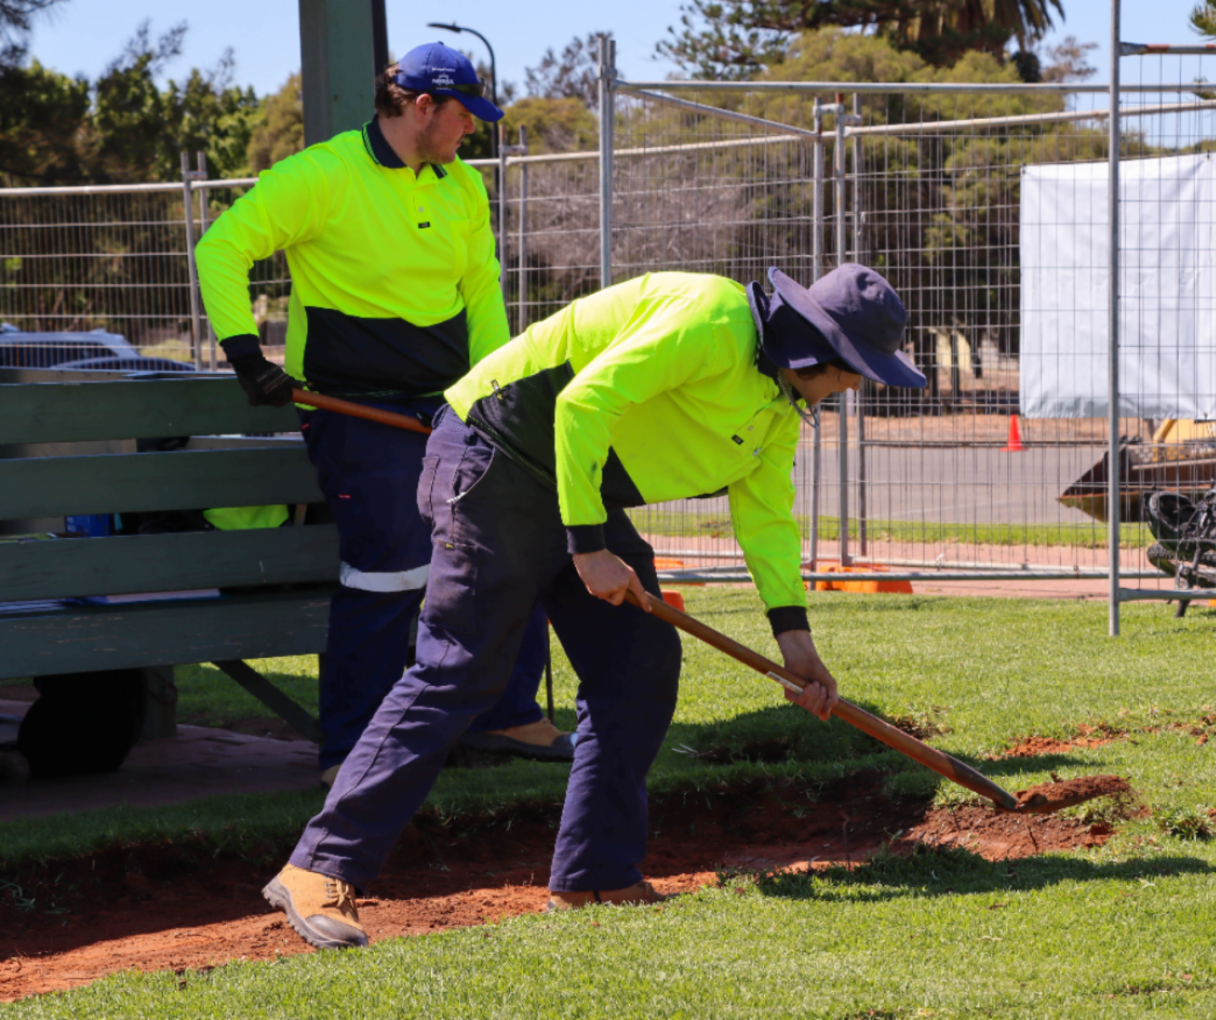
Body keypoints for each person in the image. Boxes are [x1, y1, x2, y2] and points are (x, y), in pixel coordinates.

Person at [259, 262, 927, 949]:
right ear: (815, 344)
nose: (853, 385)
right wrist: (587, 547)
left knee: (637, 667)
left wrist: (794, 638)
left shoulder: (781, 401)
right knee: (461, 668)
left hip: (579, 486)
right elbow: (583, 403)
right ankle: (319, 867)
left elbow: (765, 515)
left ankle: (594, 877)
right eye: (852, 367)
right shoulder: (711, 318)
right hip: (497, 453)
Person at [195, 42, 574, 784]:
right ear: (422, 106)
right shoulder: (321, 174)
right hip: (353, 411)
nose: (472, 130)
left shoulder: (462, 187)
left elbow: (481, 297)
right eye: (464, 114)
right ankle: (349, 750)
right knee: (390, 568)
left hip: (449, 406)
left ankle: (503, 715)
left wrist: (498, 392)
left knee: (512, 538)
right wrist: (245, 355)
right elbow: (222, 247)